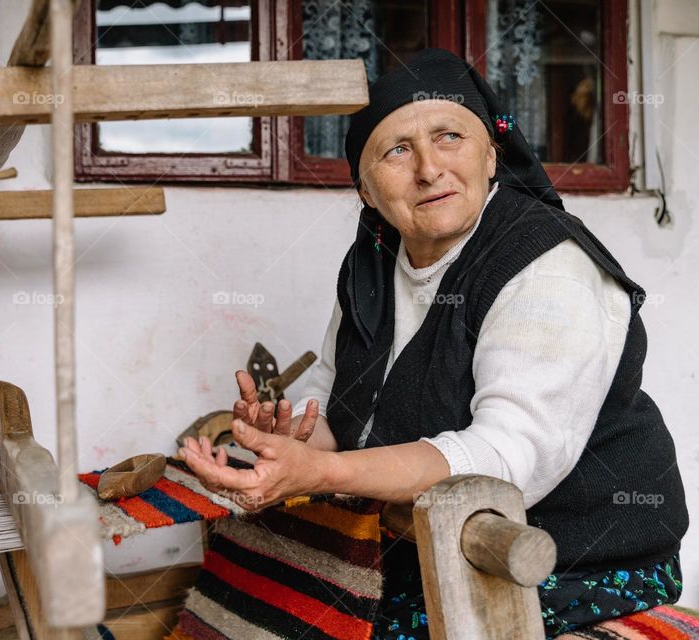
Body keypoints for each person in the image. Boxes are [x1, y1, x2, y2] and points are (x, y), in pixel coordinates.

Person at [178, 48, 688, 639]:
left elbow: (505, 461)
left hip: (573, 558)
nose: (428, 169)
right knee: (272, 595)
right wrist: (284, 438)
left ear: (492, 156)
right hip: (417, 542)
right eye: (397, 150)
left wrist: (318, 472)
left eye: (449, 137)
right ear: (366, 190)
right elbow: (338, 400)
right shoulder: (372, 262)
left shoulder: (548, 266)